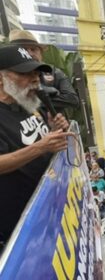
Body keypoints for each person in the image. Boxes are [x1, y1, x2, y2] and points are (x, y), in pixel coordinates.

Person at [0, 45, 72, 245]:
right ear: (1, 78)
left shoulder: (28, 103)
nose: (34, 79)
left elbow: (35, 139)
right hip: (24, 232)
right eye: (25, 73)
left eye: (36, 73)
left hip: (51, 210)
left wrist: (52, 128)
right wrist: (41, 147)